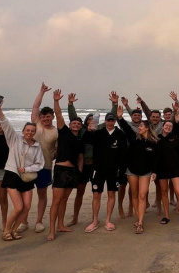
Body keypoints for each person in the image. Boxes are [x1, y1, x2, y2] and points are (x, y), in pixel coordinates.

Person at [0, 98, 44, 241]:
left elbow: (39, 164)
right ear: (23, 131)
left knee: (27, 207)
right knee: (18, 207)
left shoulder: (37, 146)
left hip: (26, 176)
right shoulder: (14, 139)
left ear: (35, 132)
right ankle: (6, 230)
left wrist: (27, 168)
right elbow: (5, 123)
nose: (29, 132)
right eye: (27, 130)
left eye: (32, 131)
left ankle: (14, 230)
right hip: (12, 174)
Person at [67, 91, 120, 225]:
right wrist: (70, 104)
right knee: (80, 191)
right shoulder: (83, 130)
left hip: (97, 165)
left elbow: (111, 119)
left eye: (94, 120)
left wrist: (114, 104)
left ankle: (97, 219)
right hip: (84, 165)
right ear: (85, 122)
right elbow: (74, 118)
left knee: (99, 192)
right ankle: (75, 218)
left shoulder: (100, 129)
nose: (92, 122)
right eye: (89, 120)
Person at [47, 90, 84, 241]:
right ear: (70, 125)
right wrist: (56, 101)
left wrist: (80, 172)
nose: (76, 125)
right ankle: (51, 230)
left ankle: (61, 225)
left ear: (81, 127)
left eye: (78, 124)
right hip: (61, 169)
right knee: (56, 201)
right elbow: (59, 115)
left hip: (72, 171)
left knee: (64, 200)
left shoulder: (80, 141)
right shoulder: (64, 132)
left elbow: (81, 157)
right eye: (74, 123)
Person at [82, 110, 128, 233]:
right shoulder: (98, 133)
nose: (110, 122)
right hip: (99, 170)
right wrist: (89, 130)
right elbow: (86, 140)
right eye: (108, 120)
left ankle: (108, 220)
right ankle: (95, 221)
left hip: (114, 171)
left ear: (115, 121)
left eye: (113, 120)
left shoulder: (120, 134)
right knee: (96, 194)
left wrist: (121, 170)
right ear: (105, 121)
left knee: (111, 194)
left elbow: (123, 154)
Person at [117, 105, 160, 234]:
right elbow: (127, 128)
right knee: (134, 194)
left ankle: (140, 222)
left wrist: (155, 171)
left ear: (147, 128)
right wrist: (120, 117)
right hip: (132, 170)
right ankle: (139, 220)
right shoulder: (134, 138)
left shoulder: (153, 142)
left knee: (142, 195)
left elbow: (155, 159)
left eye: (141, 126)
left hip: (146, 172)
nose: (139, 127)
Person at [25, 82, 58, 234]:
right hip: (28, 165)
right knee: (26, 194)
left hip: (45, 166)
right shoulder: (36, 123)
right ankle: (23, 221)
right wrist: (42, 92)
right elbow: (35, 107)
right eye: (43, 116)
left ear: (52, 117)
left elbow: (58, 151)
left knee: (42, 195)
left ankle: (38, 221)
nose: (45, 118)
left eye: (48, 116)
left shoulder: (56, 132)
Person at [157, 120, 179, 224]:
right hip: (162, 169)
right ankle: (166, 216)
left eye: (170, 126)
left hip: (175, 168)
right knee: (164, 192)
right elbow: (155, 157)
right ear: (162, 126)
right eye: (166, 125)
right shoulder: (158, 139)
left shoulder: (176, 138)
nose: (168, 127)